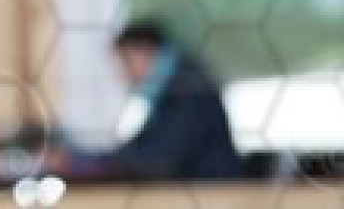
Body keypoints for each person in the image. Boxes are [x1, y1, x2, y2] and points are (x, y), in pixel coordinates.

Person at [54, 20, 247, 183]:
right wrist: (84, 159)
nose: (123, 75)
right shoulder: (173, 87)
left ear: (145, 50)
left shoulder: (190, 87)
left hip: (217, 196)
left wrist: (86, 163)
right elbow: (144, 146)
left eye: (126, 62)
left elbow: (161, 159)